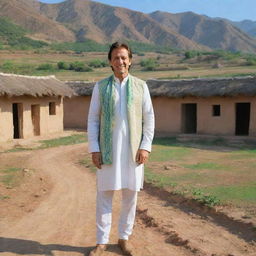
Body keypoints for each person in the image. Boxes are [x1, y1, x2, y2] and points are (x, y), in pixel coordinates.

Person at [87, 42, 154, 256]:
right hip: (108, 151)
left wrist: (145, 147)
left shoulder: (141, 86)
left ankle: (124, 238)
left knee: (130, 196)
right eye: (116, 57)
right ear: (110, 62)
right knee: (104, 195)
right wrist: (94, 148)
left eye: (124, 57)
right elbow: (93, 120)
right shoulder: (101, 87)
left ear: (130, 60)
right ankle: (101, 241)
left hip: (133, 153)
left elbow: (149, 119)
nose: (120, 61)